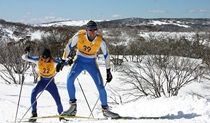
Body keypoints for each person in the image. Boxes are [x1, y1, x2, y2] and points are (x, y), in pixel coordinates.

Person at [56, 20, 120, 118]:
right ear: (86, 30)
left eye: (94, 30)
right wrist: (62, 60)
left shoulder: (100, 40)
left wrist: (108, 70)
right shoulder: (79, 35)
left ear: (97, 30)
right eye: (90, 30)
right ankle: (73, 107)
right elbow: (69, 46)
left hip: (91, 63)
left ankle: (105, 110)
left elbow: (106, 55)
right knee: (69, 79)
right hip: (79, 60)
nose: (92, 32)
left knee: (100, 86)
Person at [22, 48, 66, 122]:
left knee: (57, 99)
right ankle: (34, 114)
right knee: (33, 93)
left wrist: (63, 63)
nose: (44, 59)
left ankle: (61, 115)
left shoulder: (53, 61)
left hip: (50, 83)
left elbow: (65, 63)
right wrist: (26, 52)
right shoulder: (38, 59)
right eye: (43, 57)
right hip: (41, 82)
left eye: (46, 58)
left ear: (49, 57)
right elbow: (24, 57)